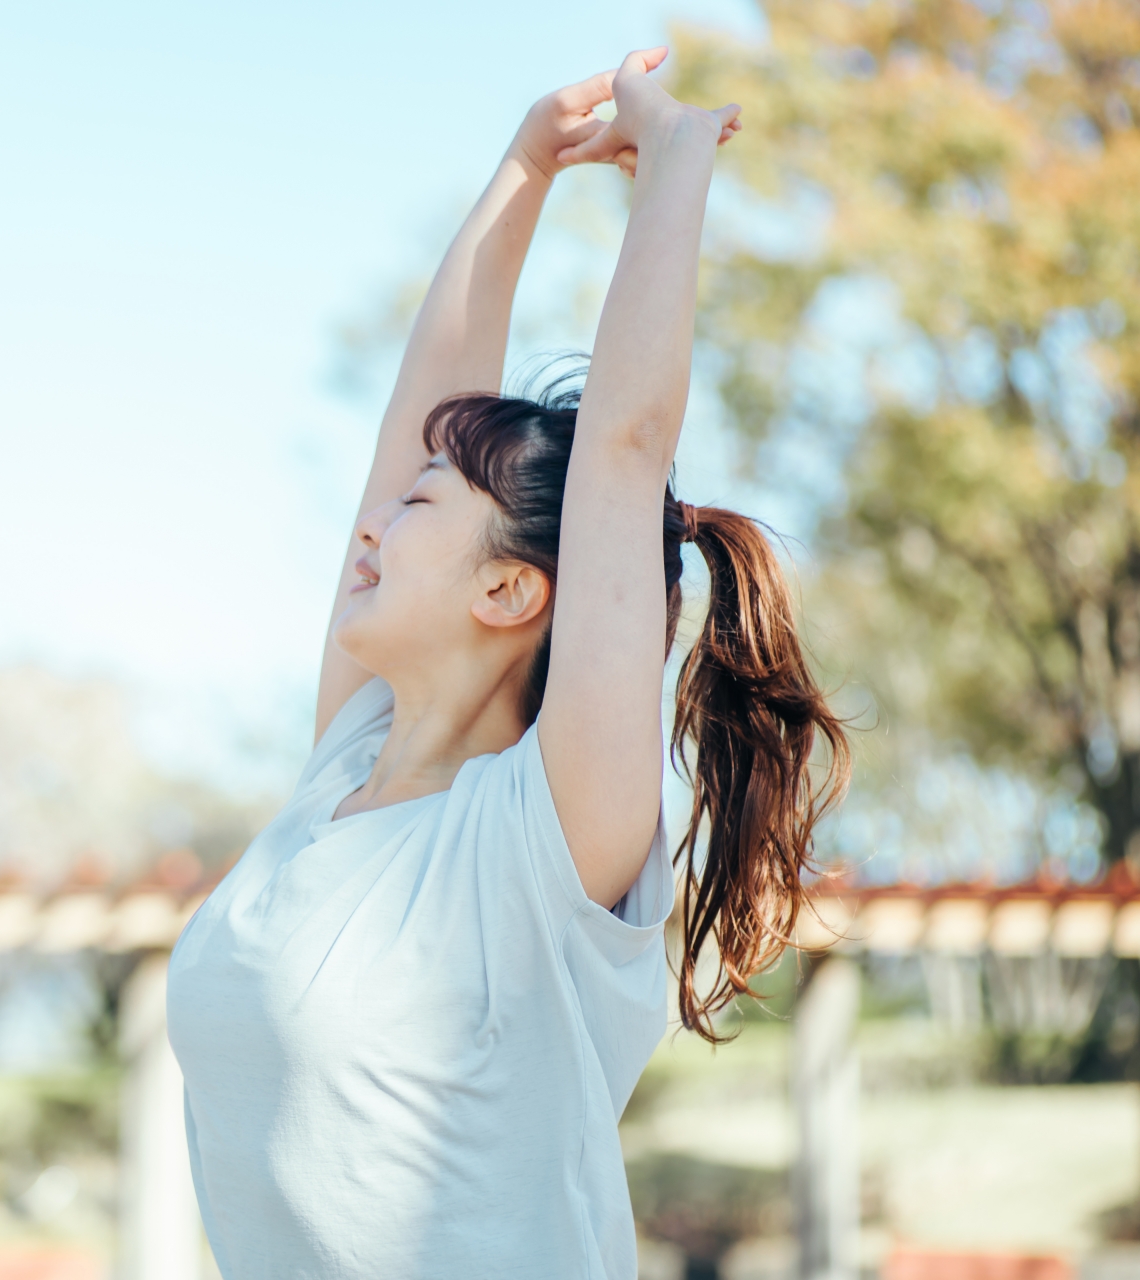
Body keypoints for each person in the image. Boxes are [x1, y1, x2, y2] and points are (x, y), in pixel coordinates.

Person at [166, 47, 850, 1279]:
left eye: (418, 507)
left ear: (509, 589)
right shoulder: (344, 771)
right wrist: (522, 173)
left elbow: (627, 452)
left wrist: (677, 166)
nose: (369, 525)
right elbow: (418, 409)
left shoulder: (543, 837)